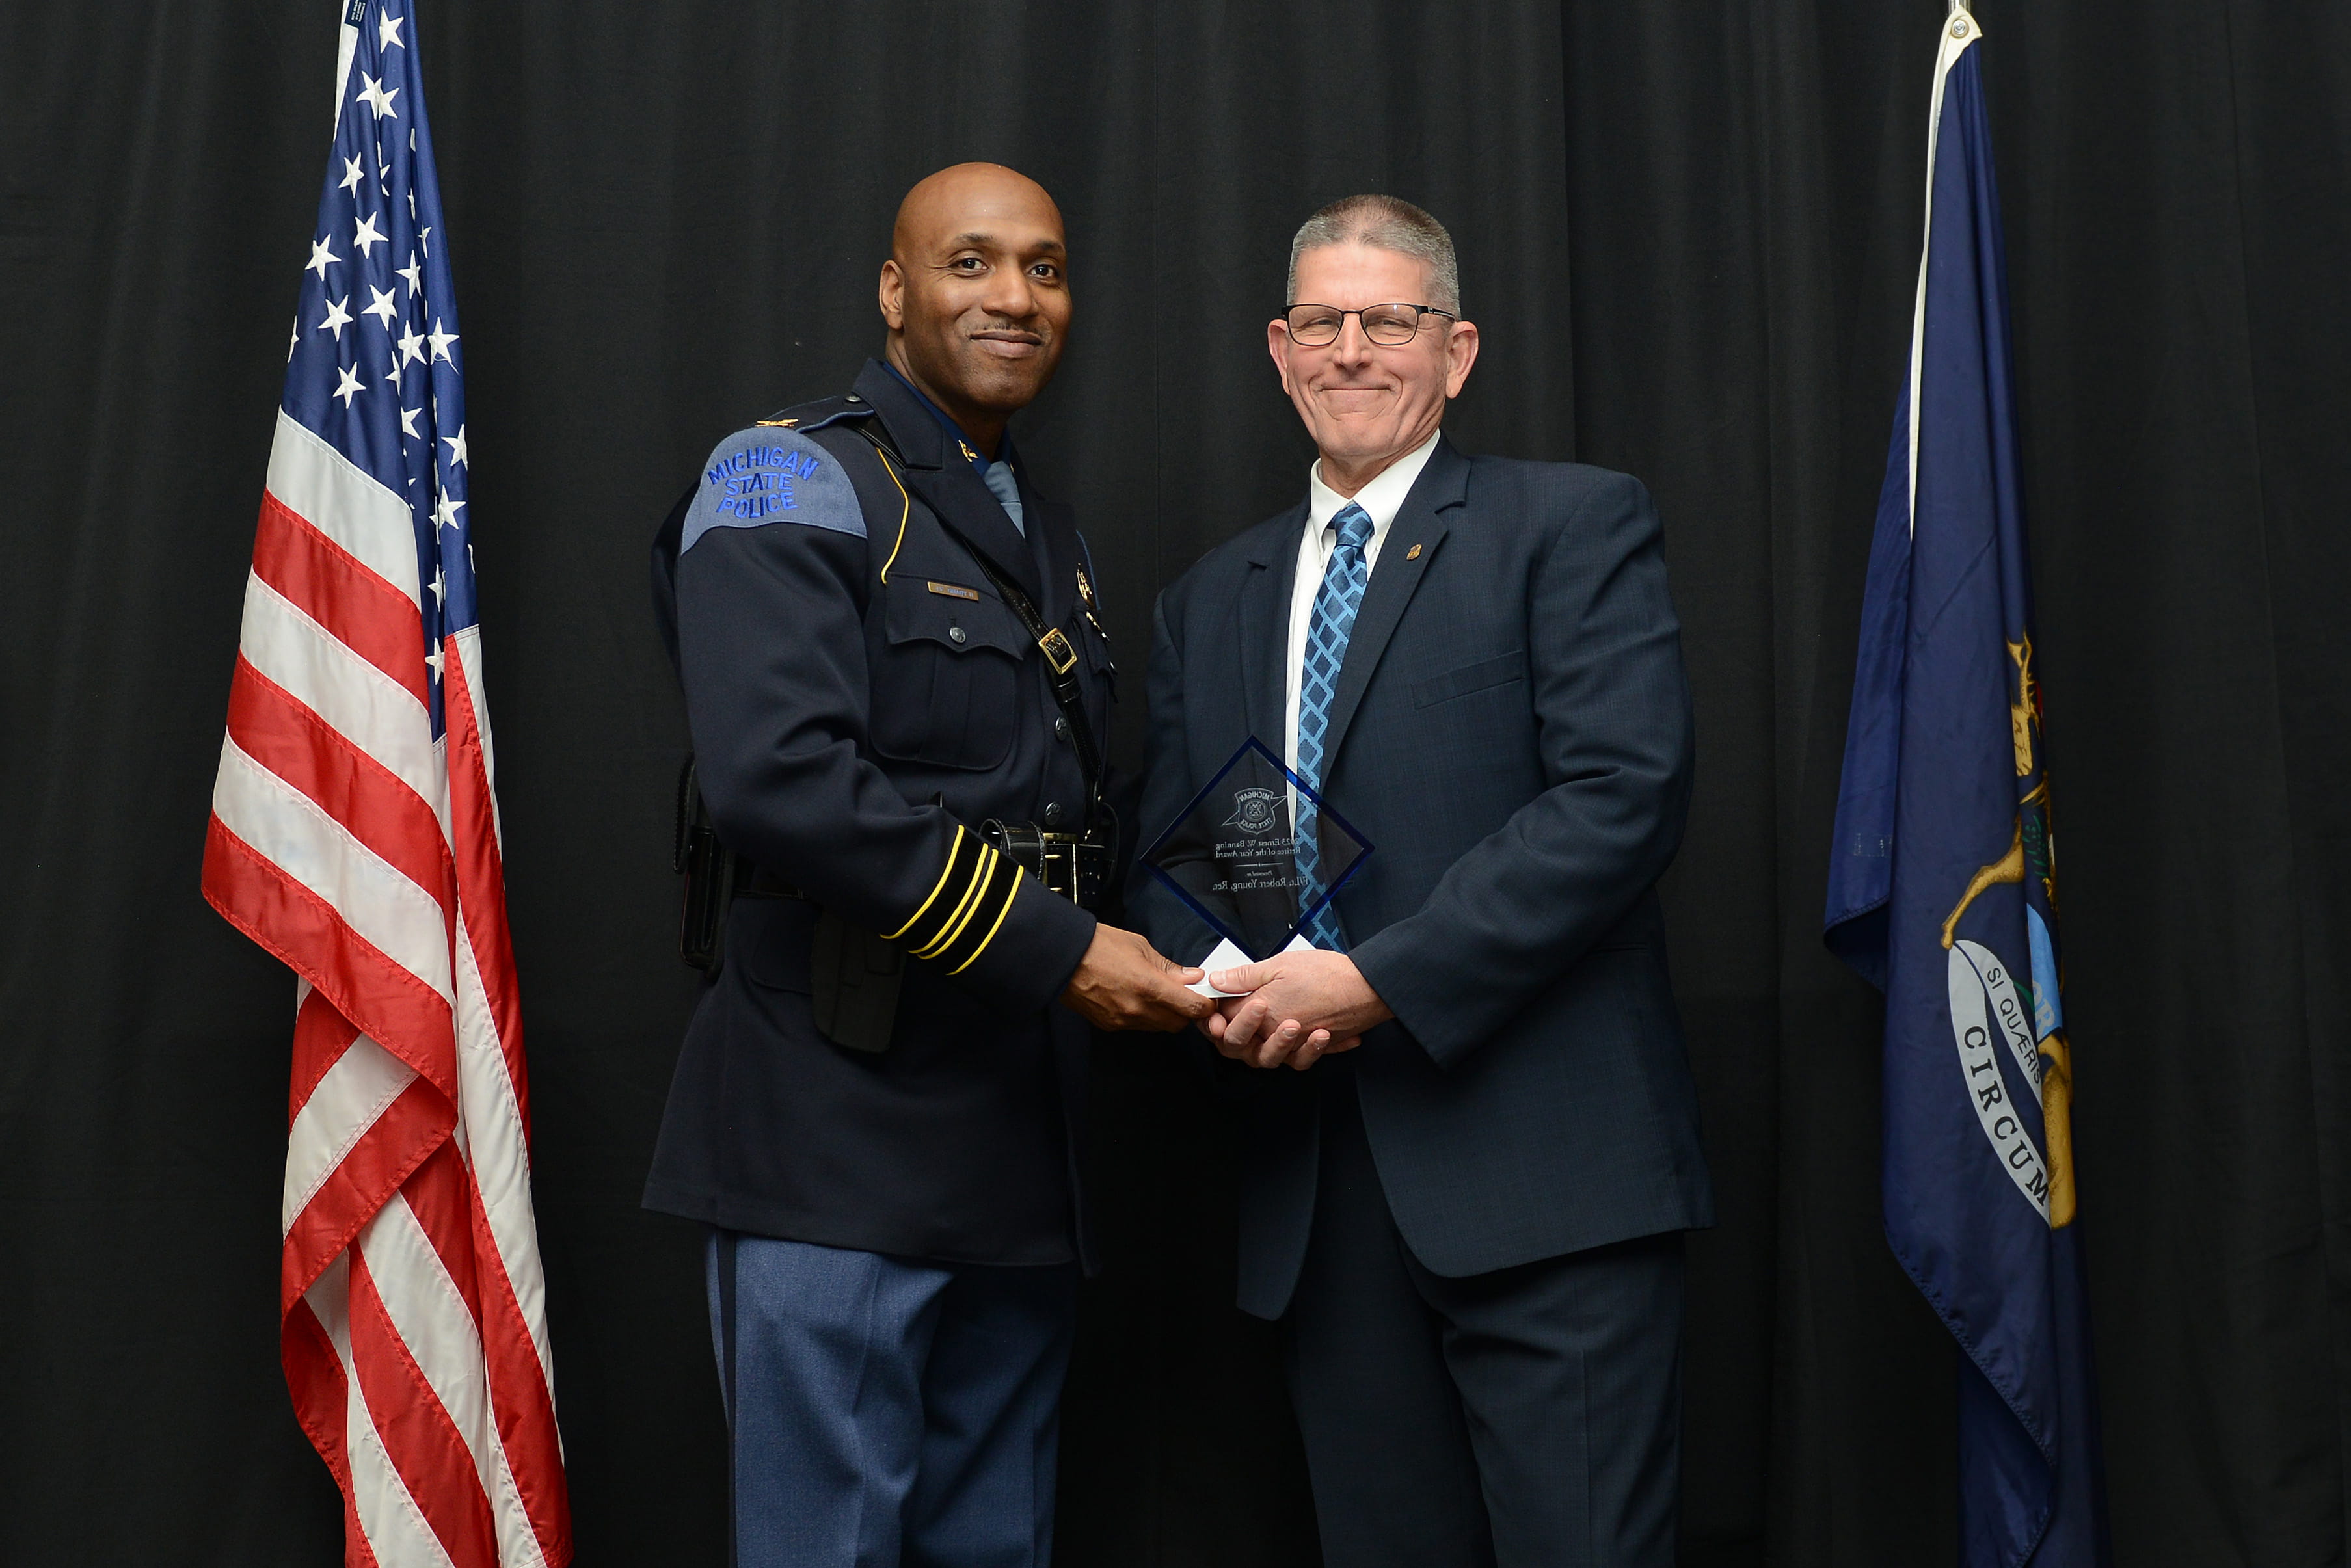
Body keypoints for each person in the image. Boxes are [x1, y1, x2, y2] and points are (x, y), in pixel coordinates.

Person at [1131, 194, 1713, 1567]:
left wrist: (1374, 981)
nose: (1351, 351)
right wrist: (1235, 989)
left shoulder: (1567, 525)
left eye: (1386, 321)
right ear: (1277, 351)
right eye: (1321, 324)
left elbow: (1618, 800)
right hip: (1323, 1201)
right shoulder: (1211, 598)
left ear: (1453, 352)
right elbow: (1205, 850)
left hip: (1546, 1189)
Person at [647, 162, 1213, 1568]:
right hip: (839, 1121)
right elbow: (780, 782)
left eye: (1045, 267)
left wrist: (1254, 935)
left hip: (1018, 1137)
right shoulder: (786, 474)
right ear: (895, 292)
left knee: (995, 1547)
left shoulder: (1043, 532)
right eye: (970, 264)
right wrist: (1070, 953)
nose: (1013, 298)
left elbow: (1071, 812)